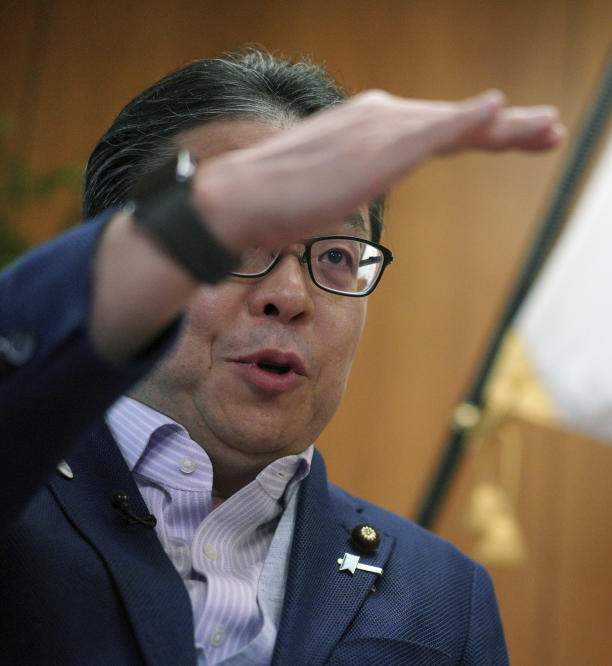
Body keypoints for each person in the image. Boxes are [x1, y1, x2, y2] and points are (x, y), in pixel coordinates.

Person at [0, 49, 562, 665]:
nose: (290, 296)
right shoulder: (21, 494)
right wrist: (202, 214)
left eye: (335, 256)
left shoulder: (443, 595)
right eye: (237, 240)